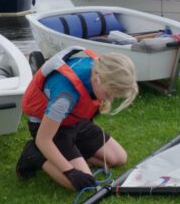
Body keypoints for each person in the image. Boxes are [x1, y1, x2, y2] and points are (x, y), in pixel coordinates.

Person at [16, 47, 139, 191]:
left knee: (119, 158)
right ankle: (34, 155)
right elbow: (43, 139)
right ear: (97, 79)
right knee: (81, 182)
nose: (110, 99)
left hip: (74, 121)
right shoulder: (65, 96)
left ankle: (73, 153)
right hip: (51, 129)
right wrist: (70, 171)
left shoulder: (100, 68)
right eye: (109, 93)